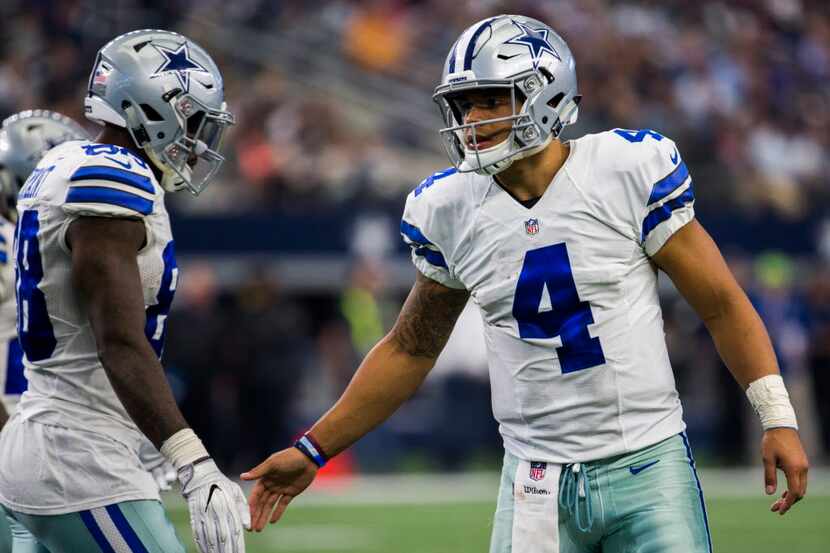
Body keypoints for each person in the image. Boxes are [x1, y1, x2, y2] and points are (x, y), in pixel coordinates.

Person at [241, 14, 809, 553]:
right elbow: (411, 348)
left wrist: (777, 416)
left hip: (646, 460)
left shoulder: (624, 171)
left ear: (547, 94)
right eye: (463, 106)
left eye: (491, 100)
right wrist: (313, 450)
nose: (471, 121)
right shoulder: (450, 208)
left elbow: (720, 303)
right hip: (534, 478)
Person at [0, 30, 249, 553]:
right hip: (78, 457)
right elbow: (117, 338)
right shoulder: (113, 176)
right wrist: (191, 458)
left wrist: (146, 434)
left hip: (53, 435)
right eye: (195, 122)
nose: (200, 141)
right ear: (154, 110)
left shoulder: (63, 163)